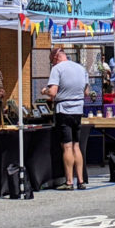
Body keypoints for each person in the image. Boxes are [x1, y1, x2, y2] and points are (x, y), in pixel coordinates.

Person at [45, 47, 90, 190]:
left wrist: (44, 91)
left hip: (63, 109)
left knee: (67, 146)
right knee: (77, 145)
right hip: (78, 109)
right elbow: (87, 92)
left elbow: (52, 92)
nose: (52, 64)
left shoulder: (57, 69)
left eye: (52, 61)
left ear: (56, 57)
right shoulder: (81, 68)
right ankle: (81, 180)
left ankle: (69, 181)